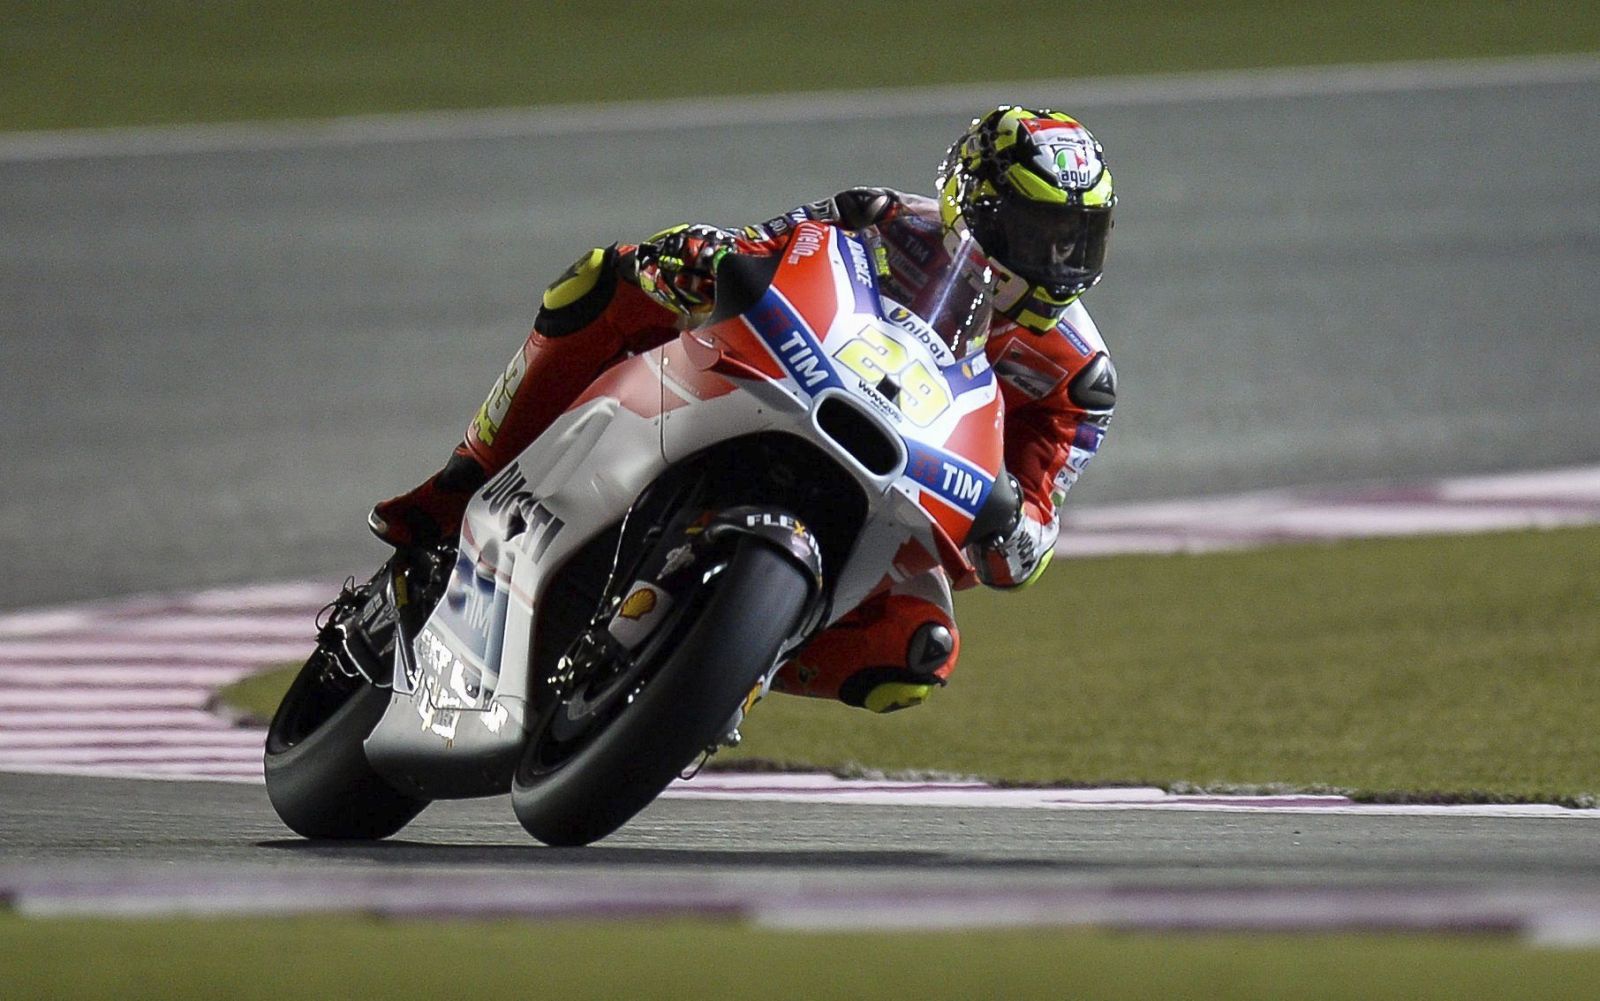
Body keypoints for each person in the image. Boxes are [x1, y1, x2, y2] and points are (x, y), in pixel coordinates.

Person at [369, 106, 1118, 715]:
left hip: (899, 490)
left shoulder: (1080, 376)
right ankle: (464, 481)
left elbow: (1033, 528)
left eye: (1077, 241)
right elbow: (772, 248)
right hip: (795, 386)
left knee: (916, 653)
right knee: (603, 277)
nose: (1057, 263)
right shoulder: (883, 217)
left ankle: (736, 663)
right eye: (1038, 233)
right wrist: (701, 256)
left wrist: (1015, 526)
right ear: (977, 207)